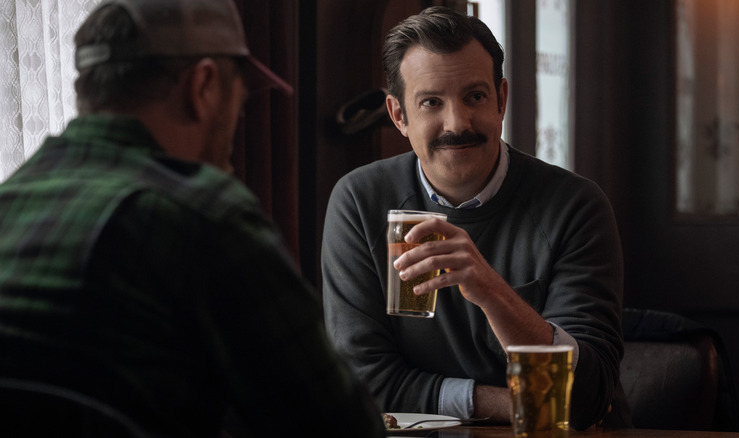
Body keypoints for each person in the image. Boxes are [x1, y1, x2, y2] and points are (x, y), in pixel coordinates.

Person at [0, 0, 385, 437]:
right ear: (202, 87)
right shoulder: (205, 214)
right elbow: (339, 428)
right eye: (239, 105)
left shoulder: (9, 198)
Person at [322, 6, 632, 430]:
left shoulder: (575, 206)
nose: (458, 122)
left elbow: (584, 399)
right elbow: (361, 386)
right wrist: (506, 402)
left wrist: (489, 290)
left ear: (501, 99)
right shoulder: (359, 202)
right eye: (431, 102)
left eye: (475, 97)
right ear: (399, 116)